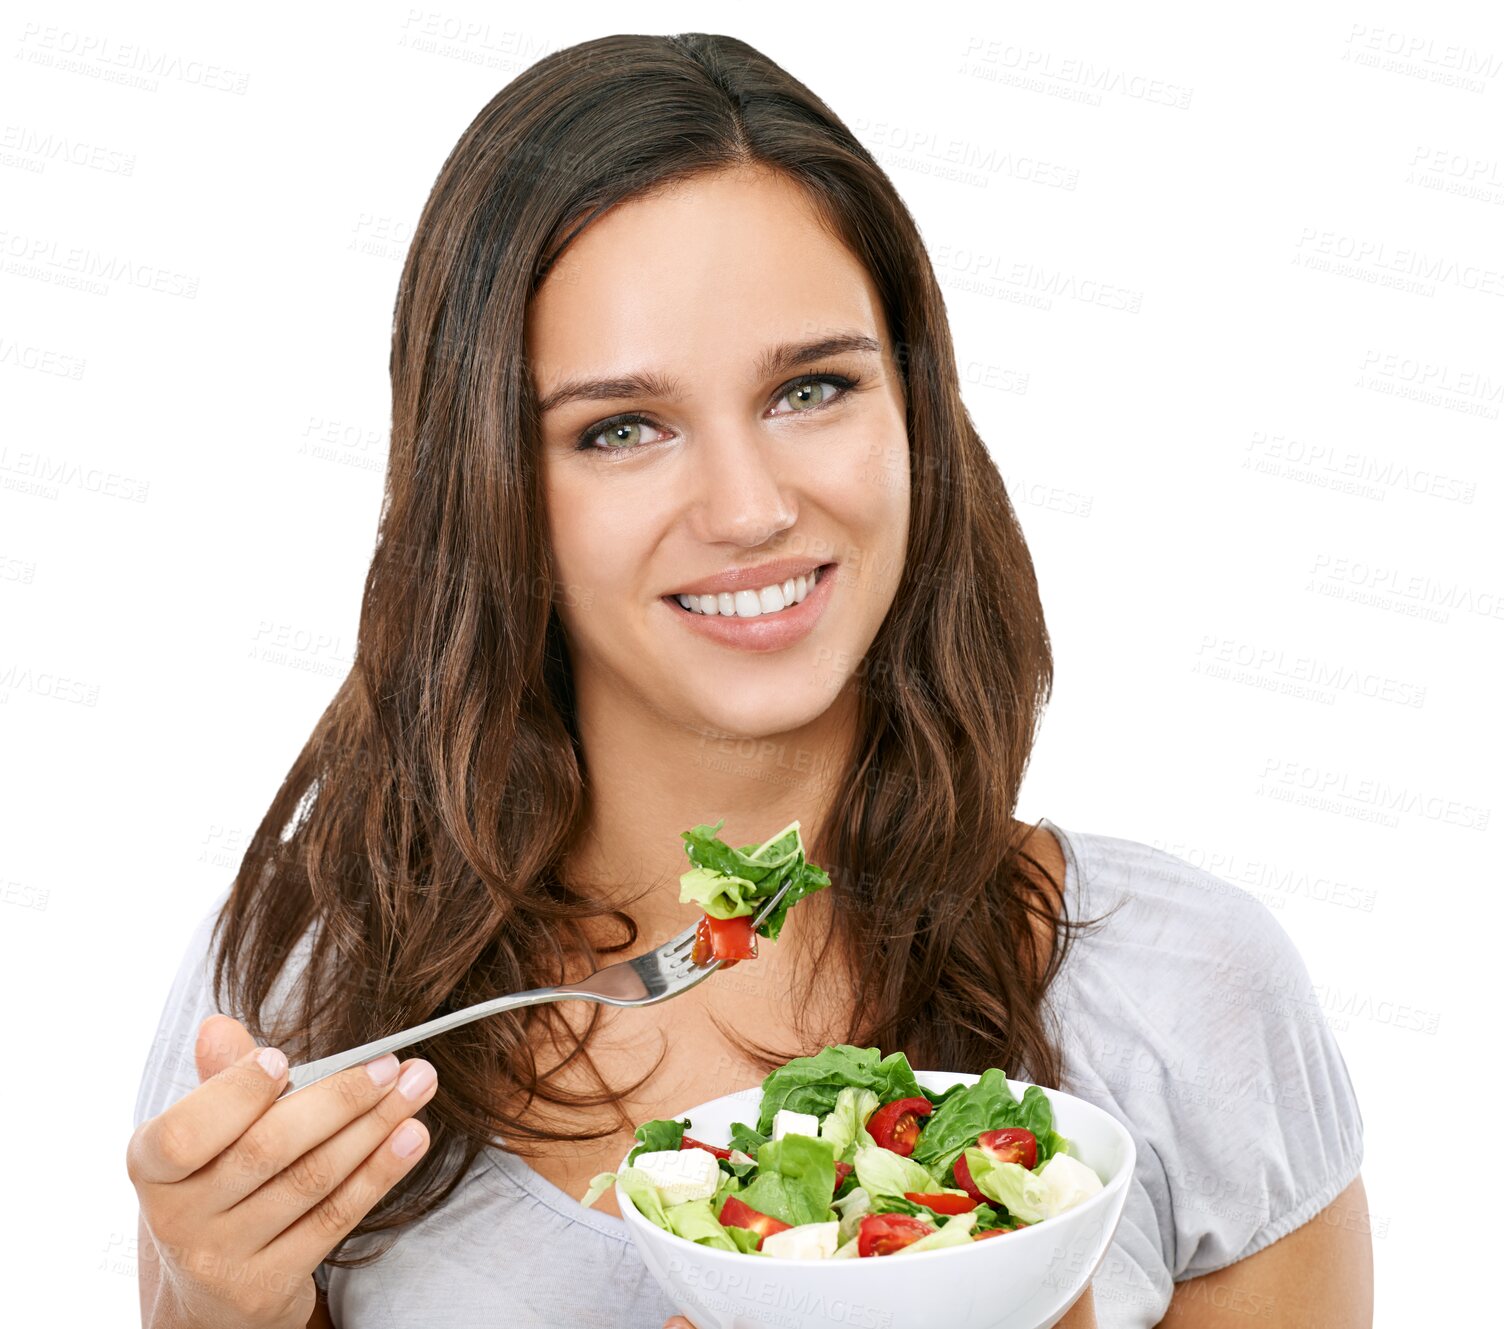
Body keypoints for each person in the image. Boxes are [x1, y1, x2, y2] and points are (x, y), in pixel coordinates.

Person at [125, 33, 1372, 1329]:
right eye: (621, 428)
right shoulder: (298, 994)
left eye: (811, 388)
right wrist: (207, 1309)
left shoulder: (1188, 994)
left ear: (917, 414)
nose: (749, 505)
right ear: (488, 492)